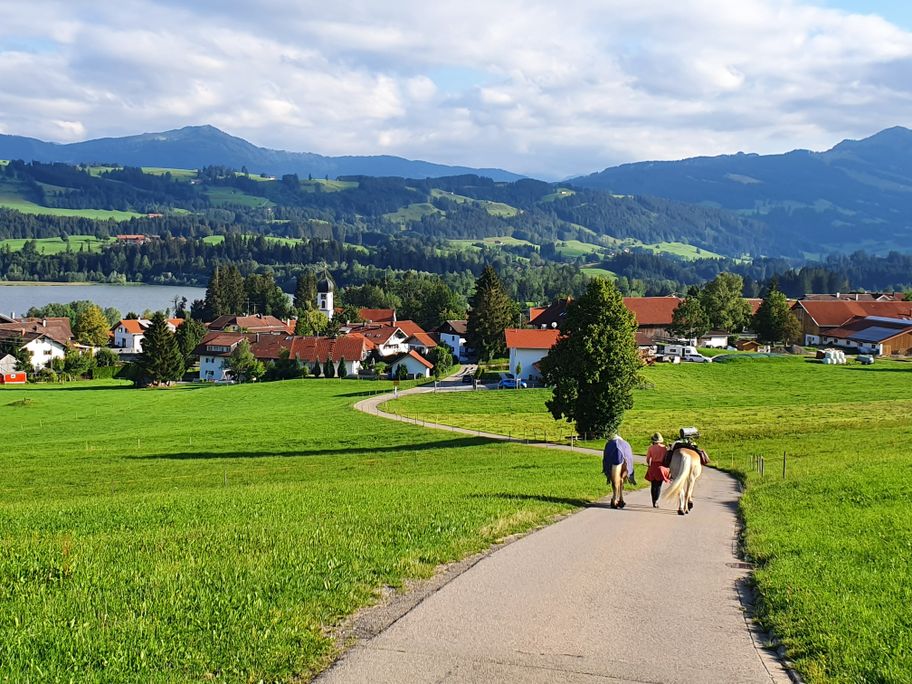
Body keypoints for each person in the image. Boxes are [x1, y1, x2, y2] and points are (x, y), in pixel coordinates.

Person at [603, 433, 636, 509]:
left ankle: (614, 498)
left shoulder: (609, 444)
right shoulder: (626, 444)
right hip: (625, 460)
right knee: (621, 479)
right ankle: (621, 498)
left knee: (614, 480)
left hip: (613, 463)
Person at [644, 432, 671, 508]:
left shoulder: (650, 448)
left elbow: (648, 459)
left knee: (653, 485)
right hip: (661, 467)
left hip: (653, 466)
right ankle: (656, 501)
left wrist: (649, 465)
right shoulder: (664, 448)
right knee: (659, 485)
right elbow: (666, 459)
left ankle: (653, 501)